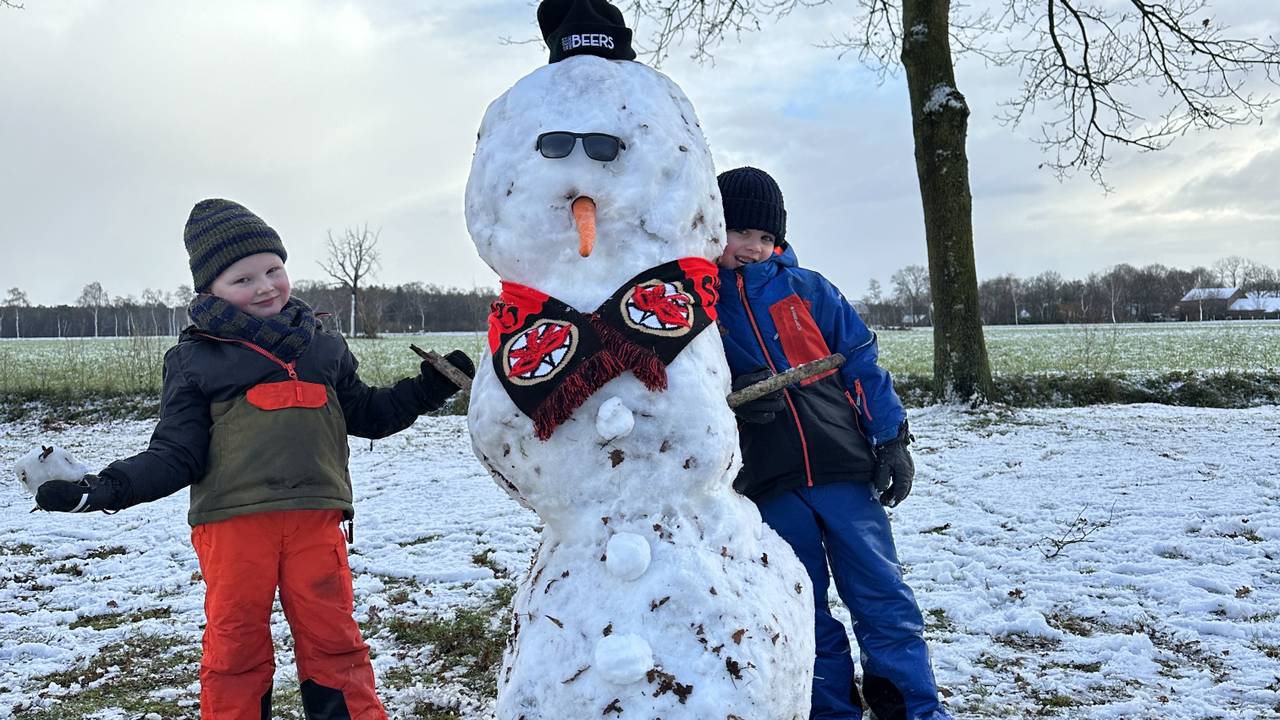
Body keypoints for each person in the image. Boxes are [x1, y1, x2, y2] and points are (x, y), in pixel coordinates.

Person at [35, 198, 475, 720]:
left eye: (273, 269)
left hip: (317, 523)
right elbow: (174, 453)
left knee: (336, 643)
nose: (266, 286)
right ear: (210, 290)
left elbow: (368, 413)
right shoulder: (196, 358)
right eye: (243, 279)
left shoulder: (323, 346)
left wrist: (426, 389)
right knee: (235, 651)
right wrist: (102, 489)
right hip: (234, 530)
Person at [714, 167, 952, 720]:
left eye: (765, 237)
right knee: (802, 607)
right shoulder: (699, 309)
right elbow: (688, 392)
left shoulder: (810, 291)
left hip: (844, 469)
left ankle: (909, 707)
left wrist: (891, 439)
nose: (752, 248)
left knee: (882, 596)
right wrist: (735, 395)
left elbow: (862, 366)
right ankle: (831, 711)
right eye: (738, 232)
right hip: (768, 484)